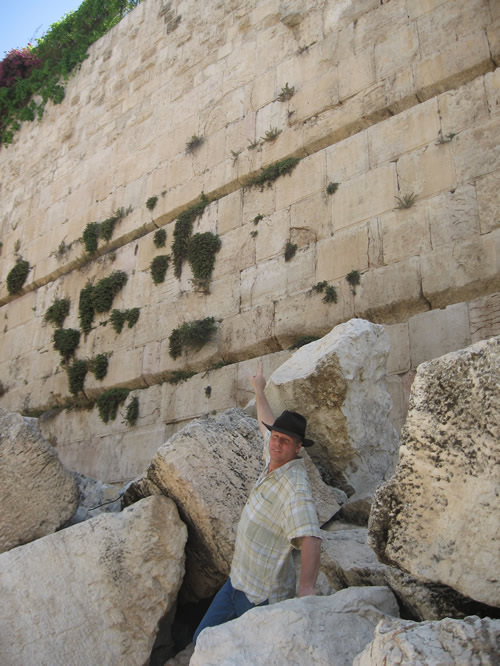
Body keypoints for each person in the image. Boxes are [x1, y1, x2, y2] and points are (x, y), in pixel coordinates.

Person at [193, 362, 322, 645]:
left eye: (284, 441)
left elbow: (311, 536)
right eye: (275, 437)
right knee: (201, 639)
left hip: (261, 597)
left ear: (298, 448)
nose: (276, 444)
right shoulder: (274, 458)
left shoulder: (295, 486)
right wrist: (259, 390)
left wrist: (307, 588)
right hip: (236, 581)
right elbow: (266, 425)